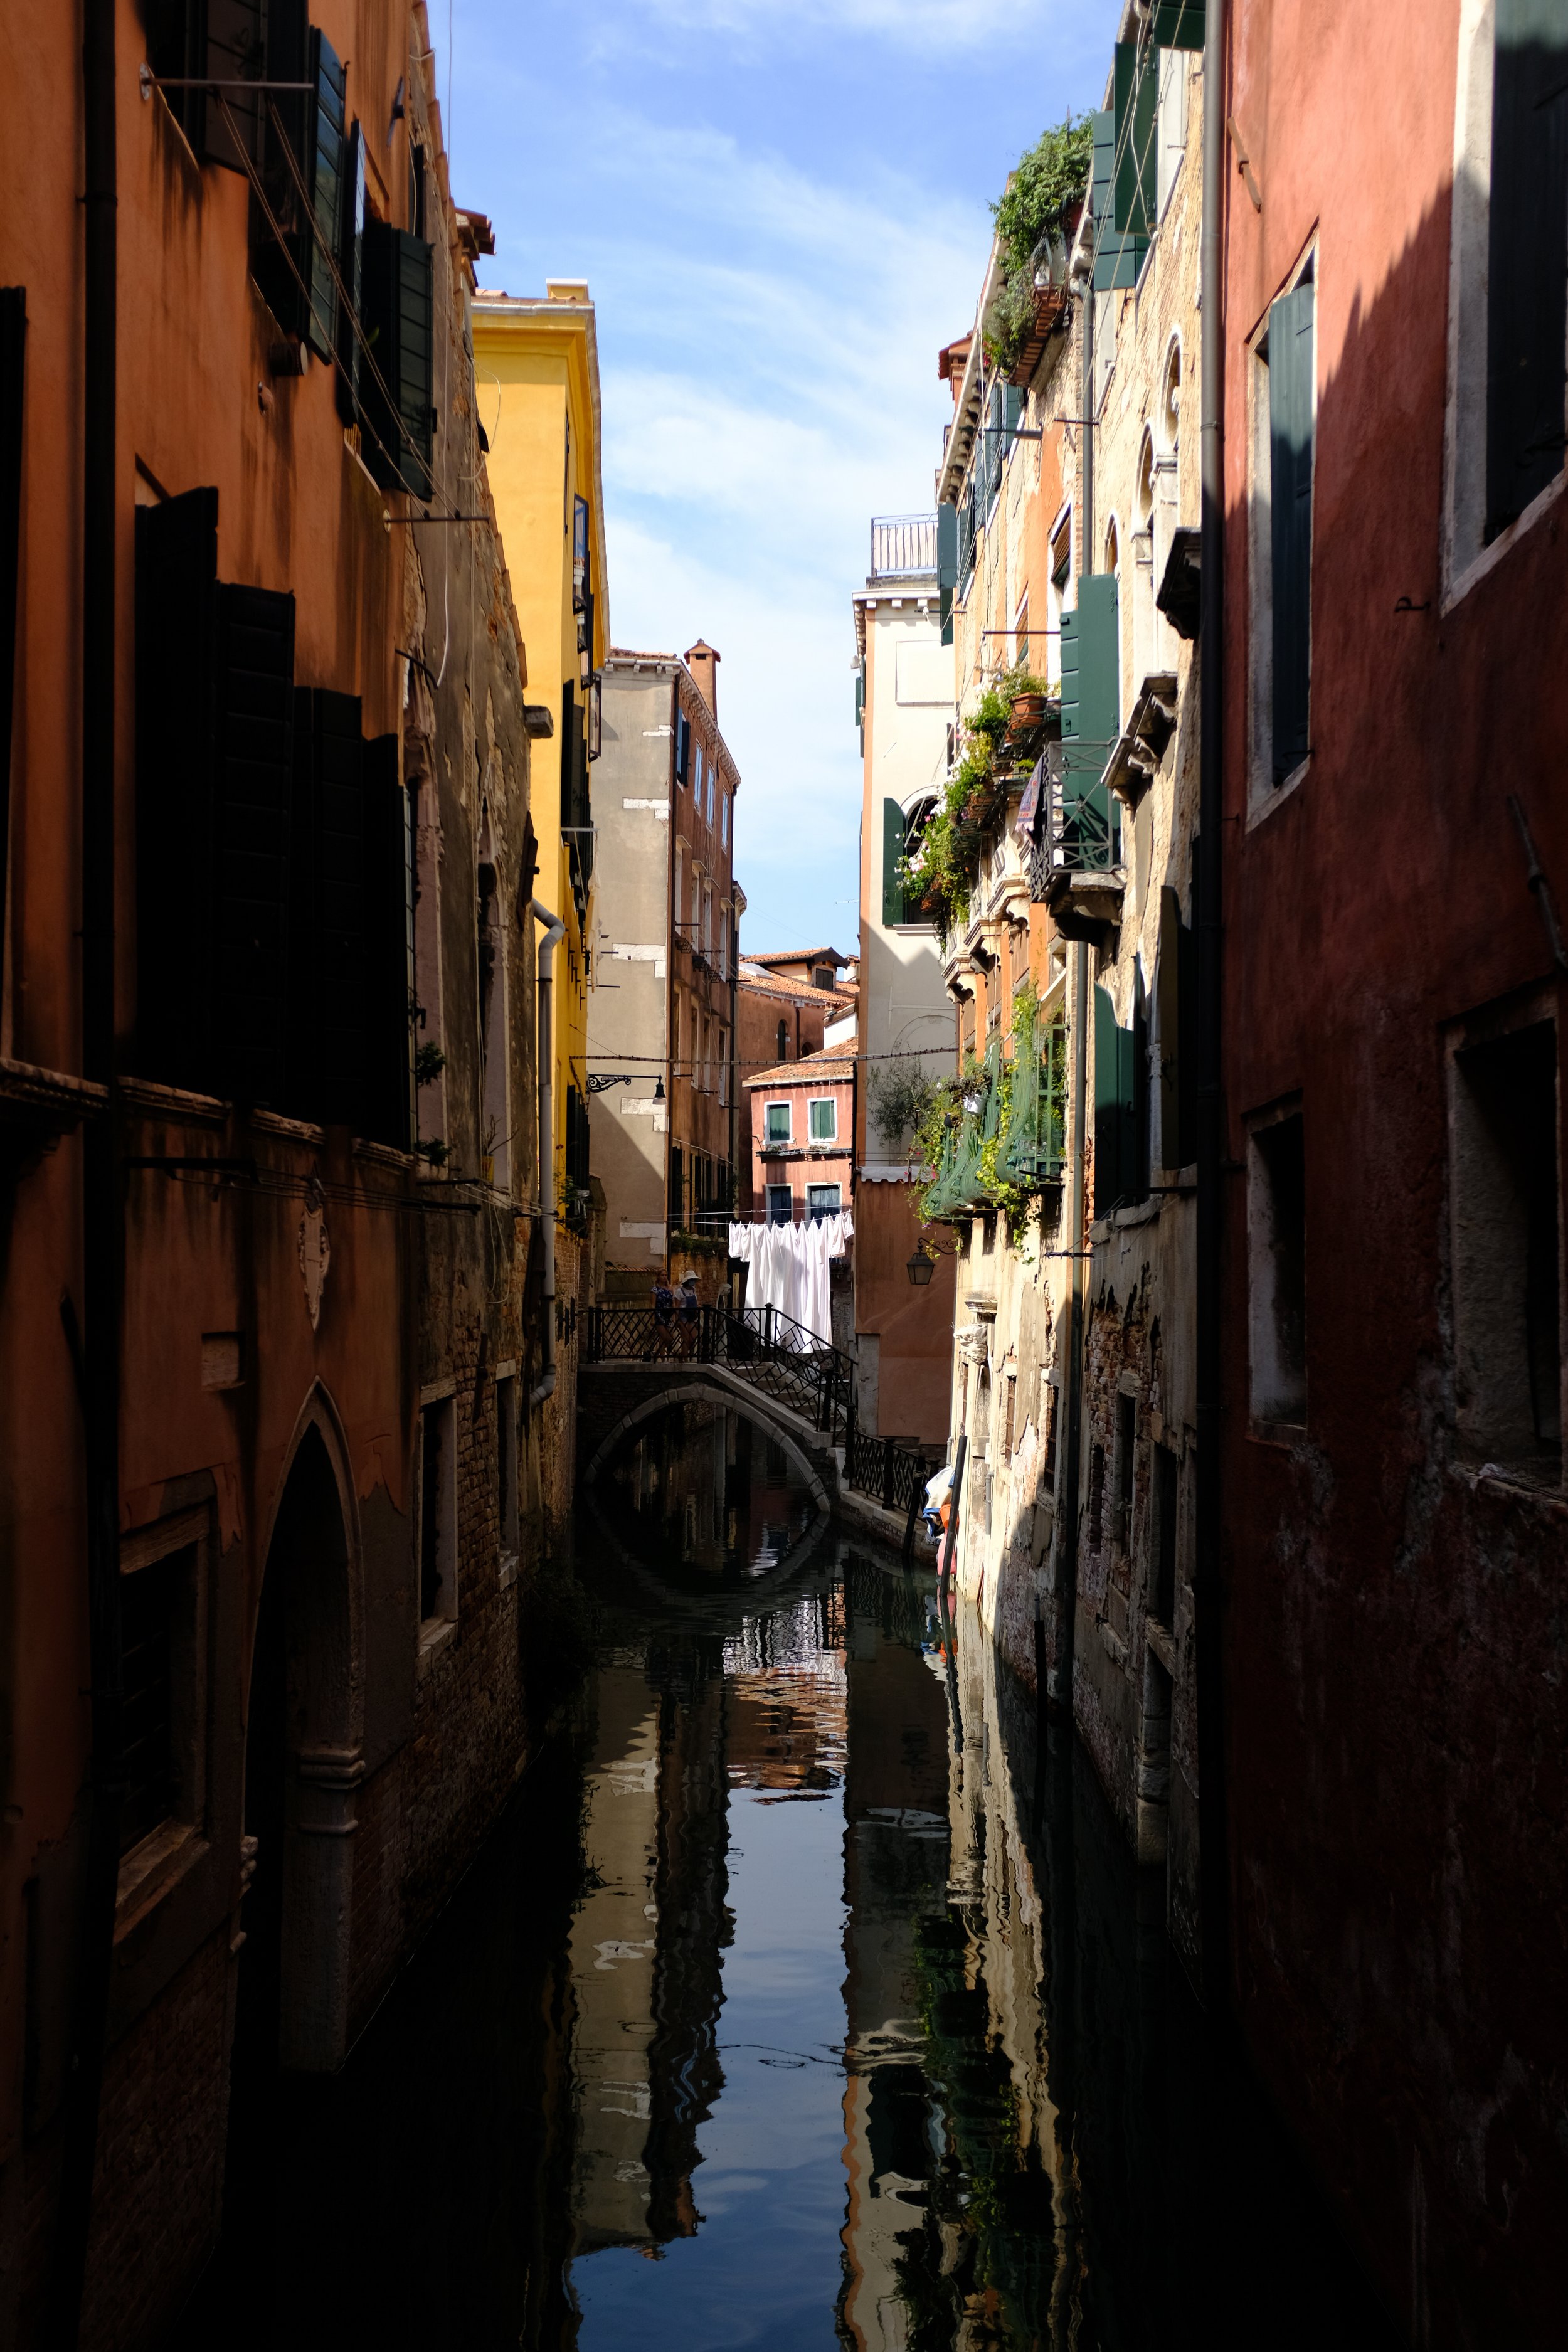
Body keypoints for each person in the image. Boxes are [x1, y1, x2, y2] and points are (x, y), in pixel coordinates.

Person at [650, 1274, 676, 1359]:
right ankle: (663, 1358)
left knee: (670, 1338)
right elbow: (653, 1305)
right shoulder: (655, 1289)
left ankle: (658, 1352)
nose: (665, 1277)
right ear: (659, 1277)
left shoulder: (670, 1288)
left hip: (668, 1315)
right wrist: (653, 1318)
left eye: (666, 1275)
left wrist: (674, 1315)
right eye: (662, 1275)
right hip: (659, 1314)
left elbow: (673, 1302)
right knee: (663, 1337)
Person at [676, 1271, 701, 1359]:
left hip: (693, 1315)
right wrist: (677, 1319)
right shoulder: (680, 1291)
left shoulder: (694, 1290)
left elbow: (696, 1303)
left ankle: (682, 1354)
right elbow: (677, 1306)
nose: (693, 1282)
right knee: (686, 1338)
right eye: (692, 1280)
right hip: (683, 1315)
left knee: (693, 1338)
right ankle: (685, 1358)